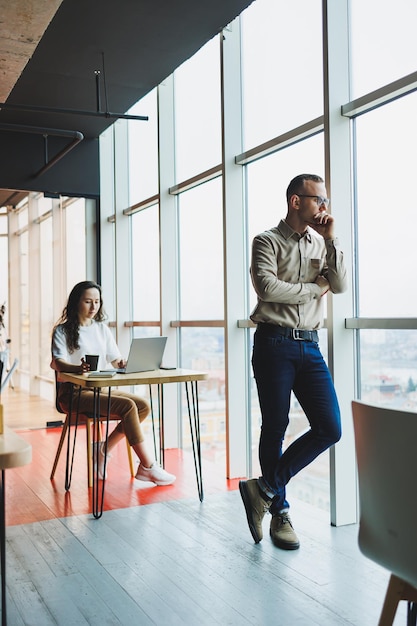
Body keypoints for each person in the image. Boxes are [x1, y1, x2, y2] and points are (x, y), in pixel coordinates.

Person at [239, 174, 347, 550]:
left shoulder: (321, 243)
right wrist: (315, 289)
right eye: (318, 200)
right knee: (276, 426)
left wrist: (332, 240)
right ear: (295, 201)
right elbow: (268, 289)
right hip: (273, 342)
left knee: (330, 427)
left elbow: (342, 283)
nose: (324, 207)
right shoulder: (265, 241)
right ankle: (280, 513)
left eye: (326, 201)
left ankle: (264, 488)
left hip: (311, 346)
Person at [51, 280, 176, 486]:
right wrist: (78, 369)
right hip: (73, 393)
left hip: (99, 389)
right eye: (88, 301)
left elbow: (115, 359)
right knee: (127, 406)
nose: (93, 307)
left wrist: (127, 362)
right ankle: (148, 466)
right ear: (76, 303)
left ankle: (103, 450)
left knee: (143, 406)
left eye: (97, 302)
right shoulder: (62, 331)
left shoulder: (101, 329)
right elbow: (58, 362)